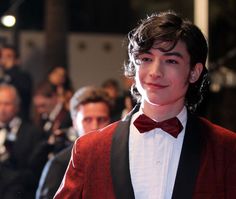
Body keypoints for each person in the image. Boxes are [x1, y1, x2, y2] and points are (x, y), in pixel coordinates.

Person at [54, 11, 236, 199]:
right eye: (146, 59)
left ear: (194, 72)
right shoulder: (90, 149)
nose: (155, 72)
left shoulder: (226, 148)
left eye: (171, 60)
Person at [36, 86, 111, 199]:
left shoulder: (119, 158)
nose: (95, 127)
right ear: (74, 122)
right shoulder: (59, 164)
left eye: (101, 120)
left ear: (110, 121)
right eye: (87, 120)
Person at [0, 84, 43, 199]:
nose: (2, 109)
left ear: (17, 106)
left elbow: (35, 172)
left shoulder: (33, 133)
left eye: (7, 104)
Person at [0, 44, 33, 120]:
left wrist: (11, 69)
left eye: (8, 56)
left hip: (20, 120)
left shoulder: (24, 77)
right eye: (2, 56)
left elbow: (23, 93)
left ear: (17, 60)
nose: (4, 59)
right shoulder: (2, 79)